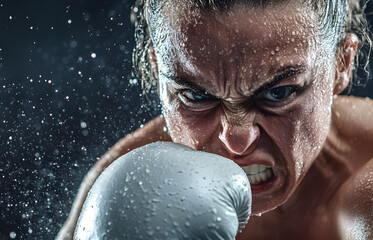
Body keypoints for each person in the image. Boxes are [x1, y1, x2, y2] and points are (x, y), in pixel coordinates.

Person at [57, 0, 373, 239]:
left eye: (278, 94)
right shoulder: (123, 195)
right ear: (157, 71)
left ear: (342, 63)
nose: (235, 139)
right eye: (197, 96)